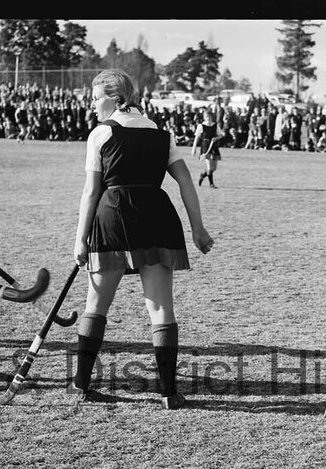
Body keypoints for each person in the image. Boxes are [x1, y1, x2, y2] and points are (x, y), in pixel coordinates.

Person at [71, 69, 214, 409]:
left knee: (96, 305)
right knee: (161, 307)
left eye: (96, 98)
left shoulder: (101, 134)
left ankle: (81, 383)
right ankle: (168, 392)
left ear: (117, 99)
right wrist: (198, 228)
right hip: (157, 218)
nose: (92, 105)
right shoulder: (162, 135)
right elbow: (185, 182)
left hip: (113, 217)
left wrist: (79, 239)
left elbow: (91, 191)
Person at [190, 110, 222, 188]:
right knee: (209, 167)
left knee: (214, 168)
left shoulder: (215, 125)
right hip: (205, 146)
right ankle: (211, 184)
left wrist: (216, 138)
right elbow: (197, 137)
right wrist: (194, 148)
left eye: (210, 116)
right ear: (204, 117)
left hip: (213, 146)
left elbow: (220, 135)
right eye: (207, 116)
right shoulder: (201, 126)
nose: (208, 118)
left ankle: (203, 175)